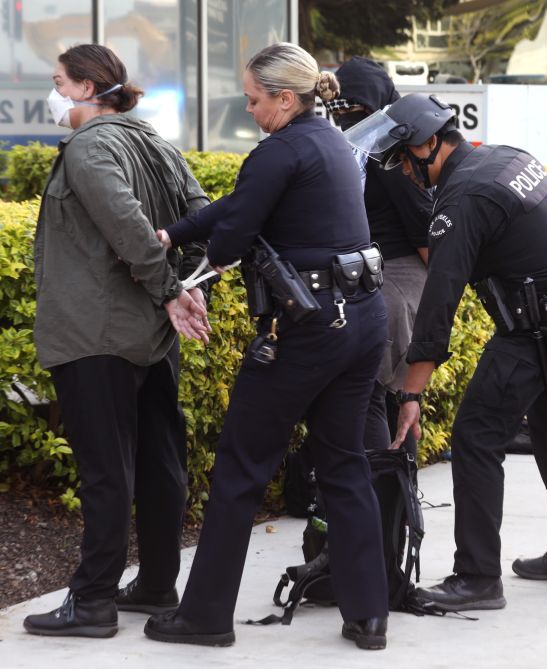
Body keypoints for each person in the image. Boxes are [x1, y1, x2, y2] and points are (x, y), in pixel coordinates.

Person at [142, 43, 390, 650]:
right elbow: (240, 205)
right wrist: (175, 231)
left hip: (304, 331)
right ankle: (369, 616)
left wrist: (180, 264)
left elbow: (231, 237)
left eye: (254, 99)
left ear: (284, 97)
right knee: (344, 464)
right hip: (361, 320)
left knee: (240, 470)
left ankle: (202, 618)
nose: (249, 109)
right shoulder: (330, 139)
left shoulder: (279, 150)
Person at [347, 93, 547, 611]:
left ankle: (478, 577)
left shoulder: (461, 199)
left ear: (428, 145)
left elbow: (439, 302)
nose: (402, 171)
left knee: (475, 437)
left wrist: (411, 392)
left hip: (534, 330)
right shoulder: (507, 158)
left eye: (402, 159)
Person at [22, 44, 211, 640]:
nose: (52, 93)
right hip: (152, 337)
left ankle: (94, 602)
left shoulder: (88, 146)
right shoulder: (150, 138)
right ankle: (156, 583)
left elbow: (126, 221)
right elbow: (204, 212)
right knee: (160, 461)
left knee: (106, 471)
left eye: (57, 81)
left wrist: (168, 288)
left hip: (95, 333)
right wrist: (188, 284)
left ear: (83, 88)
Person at [329, 56, 432, 457]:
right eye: (338, 108)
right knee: (381, 400)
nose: (345, 117)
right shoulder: (359, 146)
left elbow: (425, 234)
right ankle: (388, 504)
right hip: (364, 279)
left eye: (355, 108)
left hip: (393, 284)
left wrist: (438, 298)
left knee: (372, 394)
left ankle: (385, 501)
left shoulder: (391, 154)